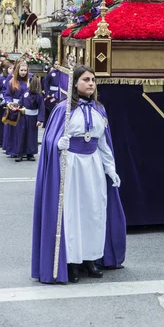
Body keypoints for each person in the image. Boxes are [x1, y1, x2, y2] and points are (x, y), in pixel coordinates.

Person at [32, 65, 126, 284]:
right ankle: (72, 262)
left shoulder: (99, 110)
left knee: (93, 212)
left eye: (93, 80)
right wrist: (57, 142)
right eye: (86, 79)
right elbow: (49, 140)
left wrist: (110, 169)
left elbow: (103, 143)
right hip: (71, 166)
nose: (91, 83)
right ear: (75, 83)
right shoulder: (63, 109)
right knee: (72, 214)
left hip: (92, 166)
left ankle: (90, 259)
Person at [3, 60, 30, 158]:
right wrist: (9, 103)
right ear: (18, 70)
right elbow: (7, 95)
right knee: (13, 131)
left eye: (25, 70)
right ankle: (13, 151)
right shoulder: (12, 81)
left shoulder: (29, 81)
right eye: (21, 70)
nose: (23, 72)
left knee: (24, 131)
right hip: (14, 108)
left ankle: (24, 151)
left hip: (25, 108)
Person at [15, 76, 44, 162]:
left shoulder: (39, 95)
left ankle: (30, 153)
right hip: (24, 117)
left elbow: (41, 108)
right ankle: (20, 153)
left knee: (31, 136)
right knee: (22, 135)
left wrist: (40, 119)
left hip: (33, 118)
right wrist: (16, 107)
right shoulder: (25, 93)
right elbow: (21, 102)